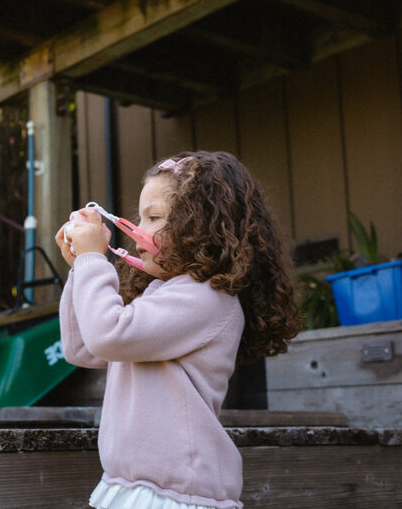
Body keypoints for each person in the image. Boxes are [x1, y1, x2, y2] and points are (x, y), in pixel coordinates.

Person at [56, 151, 300, 509]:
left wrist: (94, 261)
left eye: (153, 217)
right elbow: (82, 348)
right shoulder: (164, 292)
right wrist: (80, 268)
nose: (137, 229)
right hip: (134, 485)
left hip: (176, 494)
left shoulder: (207, 297)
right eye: (141, 216)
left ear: (201, 226)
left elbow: (107, 335)